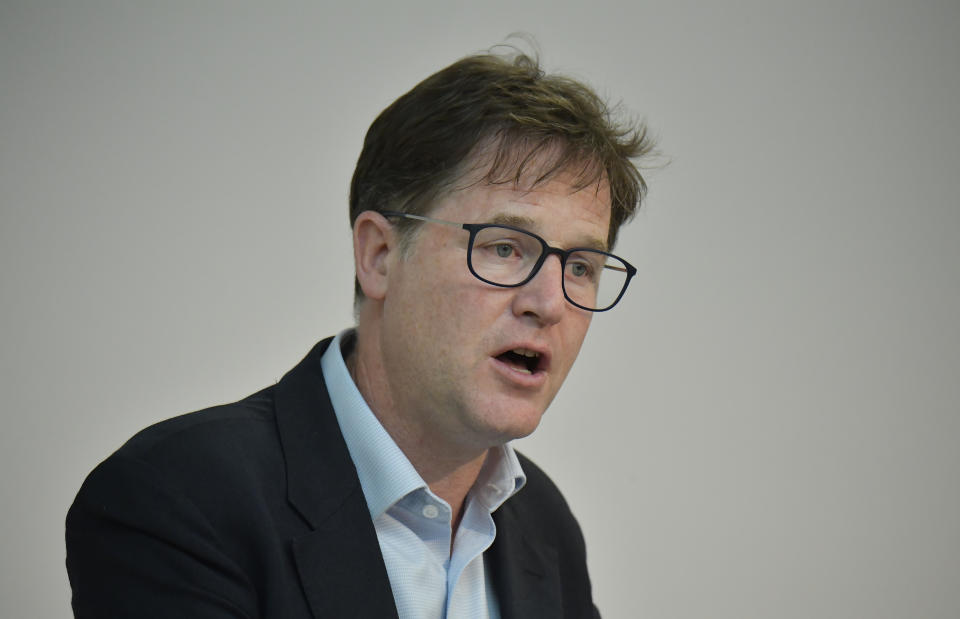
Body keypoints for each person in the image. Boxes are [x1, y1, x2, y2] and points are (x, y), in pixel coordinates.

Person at [65, 47, 654, 619]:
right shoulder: (179, 498)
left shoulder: (545, 527)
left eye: (580, 266)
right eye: (504, 248)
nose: (550, 302)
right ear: (378, 255)